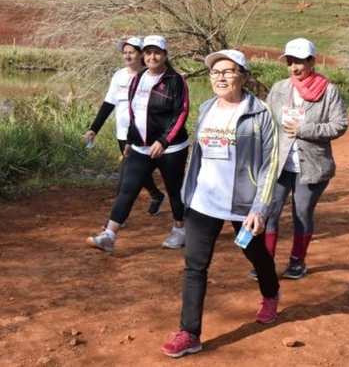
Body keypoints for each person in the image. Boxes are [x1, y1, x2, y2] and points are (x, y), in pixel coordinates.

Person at [161, 49, 280, 359]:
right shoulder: (206, 108)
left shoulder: (261, 114)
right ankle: (189, 333)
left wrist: (260, 207)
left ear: (243, 75)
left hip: (243, 204)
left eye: (228, 71)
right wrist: (189, 194)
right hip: (205, 200)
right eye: (215, 72)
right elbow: (198, 156)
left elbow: (270, 164)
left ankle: (270, 294)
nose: (221, 77)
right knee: (195, 266)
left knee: (255, 254)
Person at [86, 35, 190, 254]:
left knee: (174, 190)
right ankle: (109, 235)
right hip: (140, 147)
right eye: (148, 52)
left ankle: (180, 230)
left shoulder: (175, 80)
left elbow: (180, 113)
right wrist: (131, 141)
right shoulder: (138, 77)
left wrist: (164, 141)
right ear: (144, 55)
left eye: (157, 52)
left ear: (165, 55)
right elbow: (134, 113)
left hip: (171, 148)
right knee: (128, 187)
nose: (152, 57)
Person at [256, 38, 349, 280]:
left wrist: (305, 129)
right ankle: (265, 262)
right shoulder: (279, 88)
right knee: (269, 212)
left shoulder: (329, 92)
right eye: (290, 62)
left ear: (311, 61)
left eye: (299, 61)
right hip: (279, 164)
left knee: (302, 212)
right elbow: (266, 120)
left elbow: (340, 125)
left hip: (312, 167)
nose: (294, 67)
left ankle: (298, 261)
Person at [84, 36, 167, 217]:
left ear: (141, 54)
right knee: (138, 172)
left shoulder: (149, 76)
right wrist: (93, 129)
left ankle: (114, 220)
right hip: (123, 135)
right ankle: (156, 195)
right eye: (125, 53)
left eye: (132, 52)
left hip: (146, 136)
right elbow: (108, 104)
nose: (128, 56)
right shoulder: (119, 75)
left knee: (126, 177)